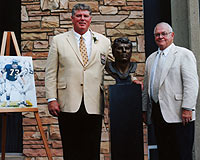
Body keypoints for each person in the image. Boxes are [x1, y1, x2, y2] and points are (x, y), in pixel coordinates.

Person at [45, 3, 111, 160]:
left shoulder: (103, 41)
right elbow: (50, 72)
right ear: (72, 18)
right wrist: (51, 98)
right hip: (67, 102)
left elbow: (115, 67)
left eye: (86, 16)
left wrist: (133, 79)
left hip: (94, 103)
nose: (82, 19)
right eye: (79, 16)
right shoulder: (59, 41)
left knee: (92, 148)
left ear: (90, 19)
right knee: (71, 148)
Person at [142, 22, 199, 160]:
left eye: (164, 34)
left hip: (179, 114)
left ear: (172, 35)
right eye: (157, 34)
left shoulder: (184, 54)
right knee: (165, 153)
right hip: (158, 113)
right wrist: (144, 110)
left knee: (181, 154)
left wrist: (187, 108)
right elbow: (146, 87)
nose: (160, 37)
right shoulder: (151, 59)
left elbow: (191, 83)